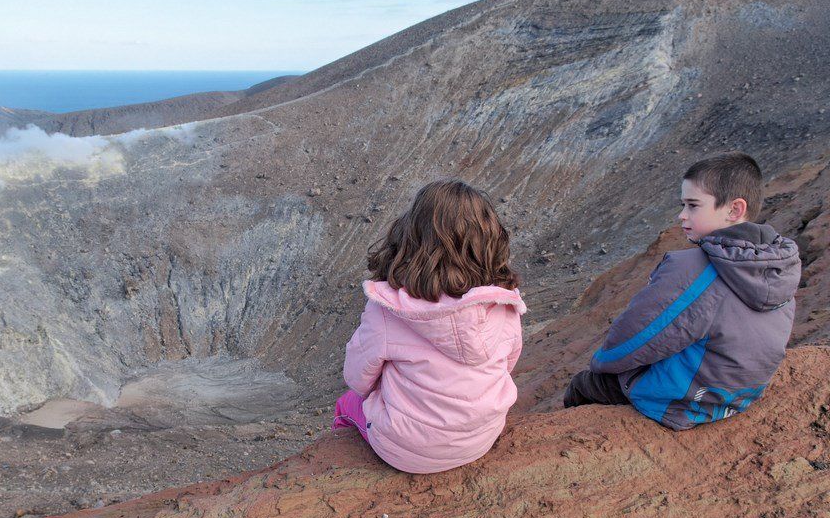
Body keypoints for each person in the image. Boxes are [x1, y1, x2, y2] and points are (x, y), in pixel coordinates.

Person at [564, 151, 801, 429]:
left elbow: (639, 336)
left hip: (684, 402)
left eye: (692, 205)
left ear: (734, 210)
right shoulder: (778, 265)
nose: (681, 215)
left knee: (584, 384)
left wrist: (601, 364)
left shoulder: (693, 268)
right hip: (738, 396)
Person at [332, 179, 526, 473]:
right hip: (481, 437)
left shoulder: (388, 309)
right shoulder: (503, 304)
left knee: (346, 405)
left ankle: (339, 466)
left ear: (411, 240)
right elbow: (507, 364)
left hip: (405, 450)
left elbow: (357, 378)